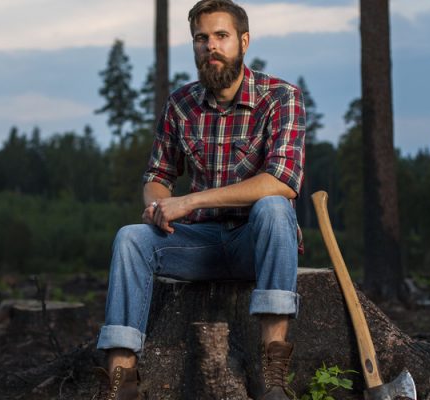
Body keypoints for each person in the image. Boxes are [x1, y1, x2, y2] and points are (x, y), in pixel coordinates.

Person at [93, 0, 305, 399]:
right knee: (129, 238)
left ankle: (273, 372)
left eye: (221, 36)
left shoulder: (280, 97)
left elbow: (282, 181)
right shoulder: (181, 104)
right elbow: (158, 177)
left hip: (253, 243)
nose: (211, 46)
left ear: (243, 41)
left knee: (275, 208)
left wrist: (188, 202)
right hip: (199, 243)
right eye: (201, 38)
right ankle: (122, 382)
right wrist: (158, 207)